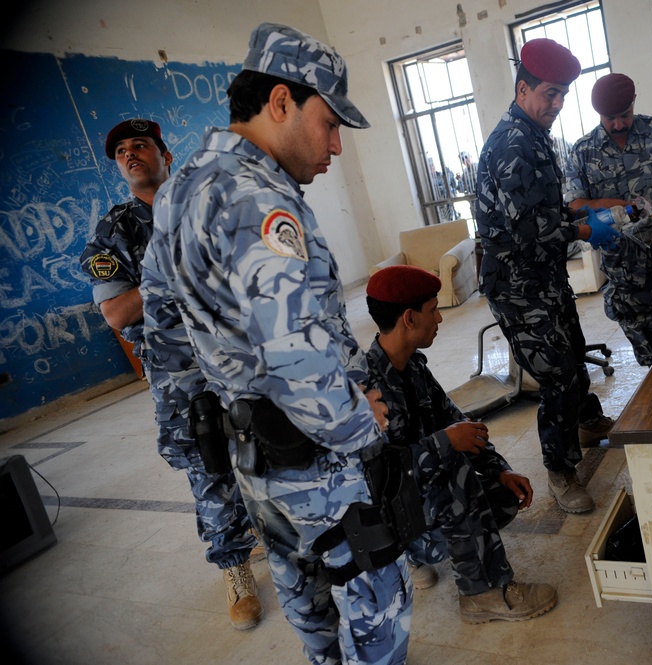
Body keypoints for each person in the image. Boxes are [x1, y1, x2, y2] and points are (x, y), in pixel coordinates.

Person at [140, 23, 411, 664]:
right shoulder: (258, 200)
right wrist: (359, 426)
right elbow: (298, 355)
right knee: (376, 607)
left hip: (251, 458)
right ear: (281, 102)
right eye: (330, 123)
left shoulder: (179, 192)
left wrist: (191, 437)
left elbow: (163, 326)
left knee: (306, 599)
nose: (336, 147)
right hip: (314, 463)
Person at [78, 118, 262, 630]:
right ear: (118, 167)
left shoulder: (206, 207)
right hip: (179, 373)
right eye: (121, 151)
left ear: (166, 156)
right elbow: (116, 313)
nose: (131, 154)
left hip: (237, 357)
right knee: (208, 465)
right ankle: (234, 567)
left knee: (260, 443)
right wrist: (172, 271)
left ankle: (269, 532)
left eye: (141, 146)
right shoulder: (113, 232)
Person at [364, 264, 558, 623]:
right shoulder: (364, 387)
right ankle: (482, 592)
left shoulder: (413, 366)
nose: (439, 318)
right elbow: (372, 475)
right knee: (451, 463)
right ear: (409, 318)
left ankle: (420, 556)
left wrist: (499, 470)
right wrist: (444, 443)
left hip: (413, 503)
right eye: (432, 310)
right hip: (385, 521)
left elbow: (458, 422)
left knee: (499, 498)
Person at [475, 38, 620, 515]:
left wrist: (577, 222)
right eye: (550, 95)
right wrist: (585, 228)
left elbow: (546, 208)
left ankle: (587, 419)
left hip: (543, 276)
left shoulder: (534, 134)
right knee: (556, 375)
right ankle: (560, 469)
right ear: (523, 88)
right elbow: (530, 230)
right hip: (517, 284)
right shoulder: (513, 145)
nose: (557, 105)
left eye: (562, 96)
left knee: (573, 351)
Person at [565, 73, 652, 367]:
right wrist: (615, 205)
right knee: (649, 348)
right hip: (624, 261)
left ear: (634, 104)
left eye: (625, 115)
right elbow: (576, 203)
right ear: (598, 114)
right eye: (610, 118)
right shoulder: (583, 151)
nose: (618, 124)